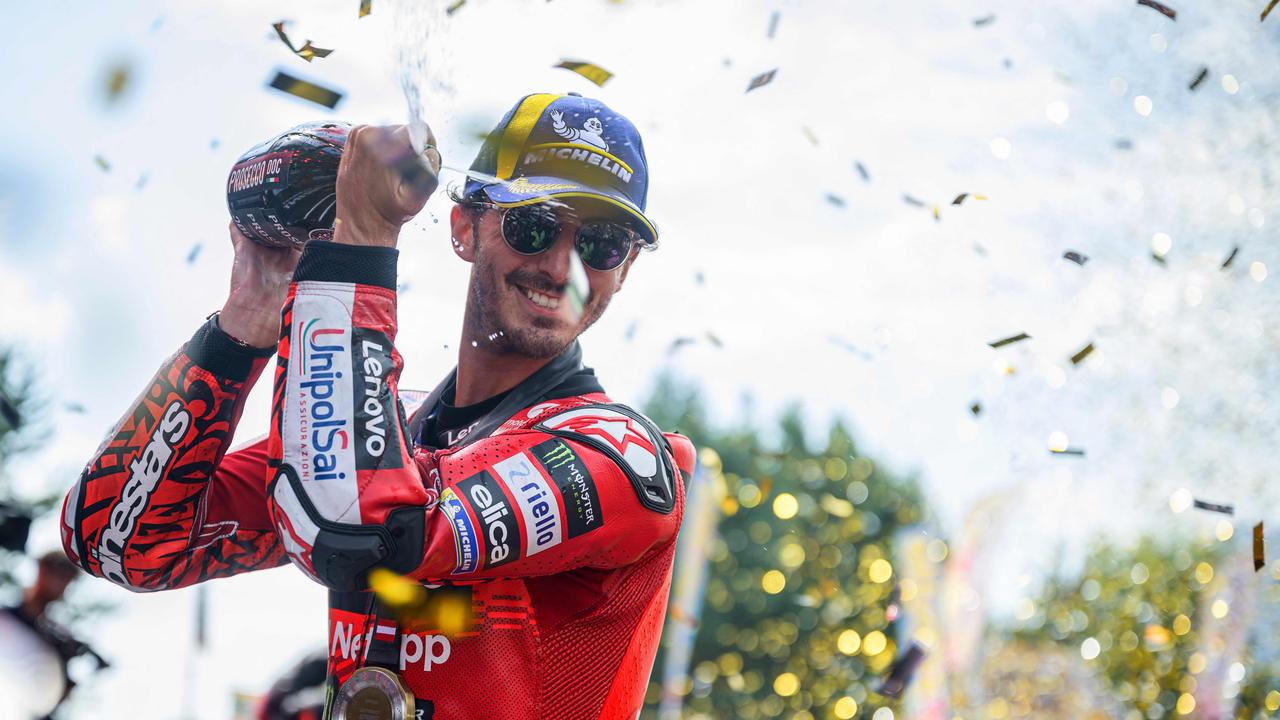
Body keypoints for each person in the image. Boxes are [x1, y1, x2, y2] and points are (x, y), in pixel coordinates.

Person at [60, 92, 694, 719]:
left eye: (602, 245)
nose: (562, 267)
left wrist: (360, 242)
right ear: (465, 228)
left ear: (626, 268)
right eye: (535, 226)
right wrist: (245, 321)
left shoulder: (626, 461)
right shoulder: (398, 431)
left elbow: (353, 532)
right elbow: (119, 538)